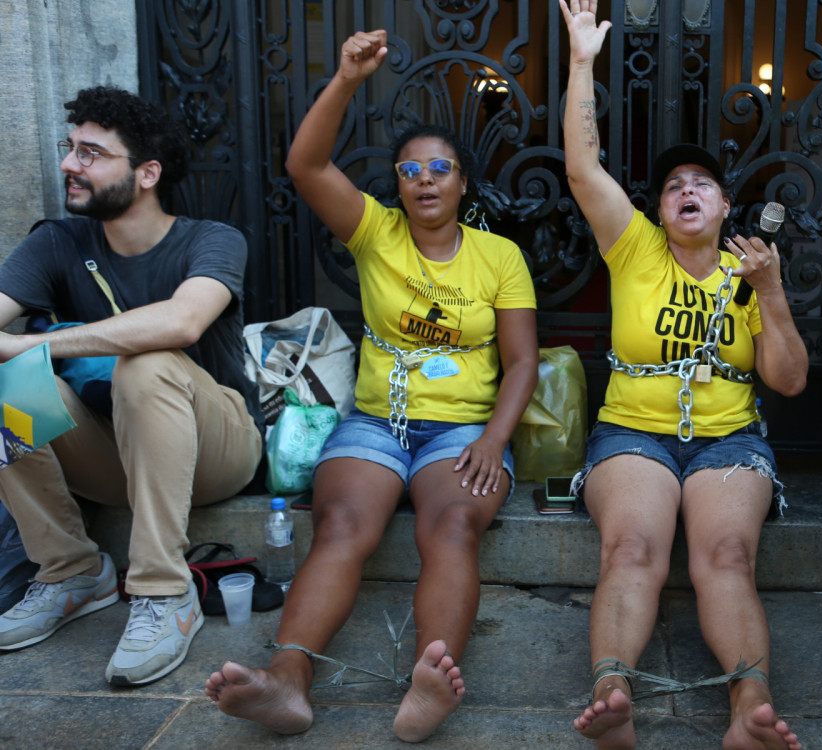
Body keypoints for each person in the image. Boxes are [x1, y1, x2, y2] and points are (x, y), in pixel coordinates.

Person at [205, 29, 539, 742]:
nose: (424, 179)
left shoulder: (499, 256)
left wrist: (493, 438)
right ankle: (288, 682)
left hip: (463, 431)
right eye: (411, 169)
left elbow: (521, 362)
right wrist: (349, 78)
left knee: (450, 526)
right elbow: (304, 163)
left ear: (462, 183)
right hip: (375, 422)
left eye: (440, 167)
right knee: (341, 526)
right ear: (398, 182)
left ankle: (430, 677)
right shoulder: (375, 232)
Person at [561, 3, 807, 749]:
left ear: (728, 205)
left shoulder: (752, 269)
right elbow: (581, 166)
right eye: (673, 186)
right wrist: (581, 61)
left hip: (727, 439)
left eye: (702, 182)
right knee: (632, 548)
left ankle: (750, 710)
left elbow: (789, 381)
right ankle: (613, 694)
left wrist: (769, 291)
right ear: (658, 209)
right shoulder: (633, 248)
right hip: (634, 432)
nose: (686, 190)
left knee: (727, 557)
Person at [0, 86, 264, 685]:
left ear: (147, 173)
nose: (69, 165)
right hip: (113, 457)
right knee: (3, 384)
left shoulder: (212, 239)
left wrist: (28, 343)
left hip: (218, 451)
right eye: (69, 149)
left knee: (146, 360)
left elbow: (182, 321)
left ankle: (165, 592)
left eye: (91, 153)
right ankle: (70, 571)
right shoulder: (58, 242)